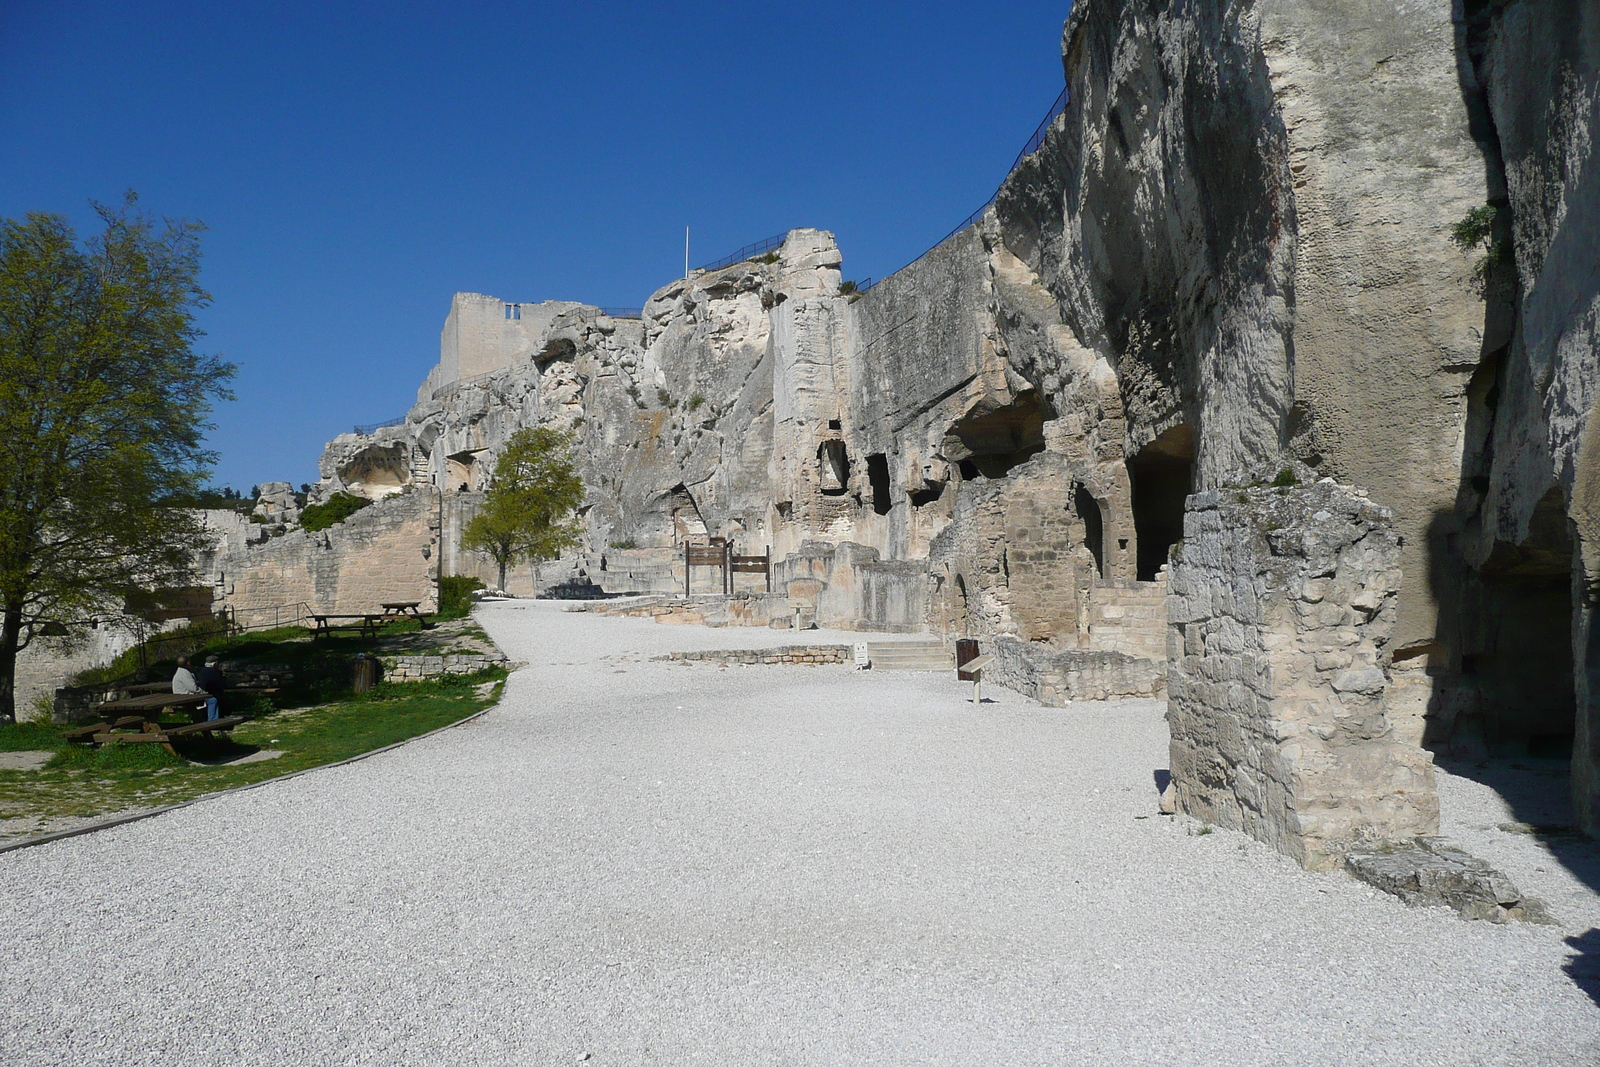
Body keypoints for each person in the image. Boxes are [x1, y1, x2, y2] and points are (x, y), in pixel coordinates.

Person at [172, 656, 219, 721]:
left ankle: (204, 718)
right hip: (185, 696)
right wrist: (204, 693)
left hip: (181, 695)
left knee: (208, 700)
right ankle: (213, 720)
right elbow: (193, 688)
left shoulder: (181, 671)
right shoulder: (184, 673)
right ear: (188, 663)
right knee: (212, 700)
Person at [196, 657, 228, 722]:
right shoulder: (214, 673)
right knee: (216, 700)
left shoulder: (203, 671)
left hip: (204, 692)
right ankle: (214, 720)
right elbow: (222, 684)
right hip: (211, 694)